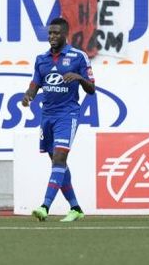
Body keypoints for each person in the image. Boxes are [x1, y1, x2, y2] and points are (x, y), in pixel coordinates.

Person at [22, 17, 95, 222]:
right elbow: (35, 84)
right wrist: (28, 96)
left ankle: (45, 206)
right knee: (58, 164)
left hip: (68, 114)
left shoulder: (78, 57)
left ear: (65, 34)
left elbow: (92, 89)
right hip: (47, 116)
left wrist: (80, 78)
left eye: (56, 33)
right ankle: (76, 208)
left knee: (59, 160)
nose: (52, 37)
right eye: (50, 33)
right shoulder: (41, 59)